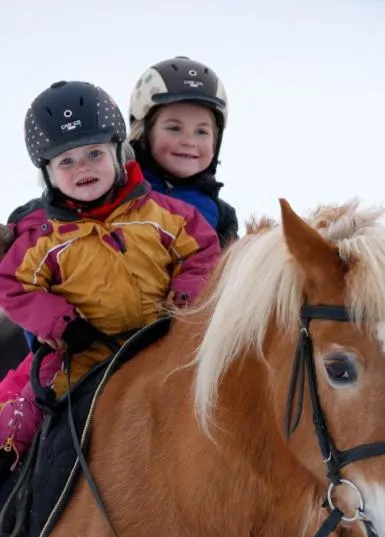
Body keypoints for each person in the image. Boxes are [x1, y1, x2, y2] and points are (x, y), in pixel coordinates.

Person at [0, 79, 220, 481]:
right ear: (47, 174)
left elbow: (202, 253)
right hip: (80, 355)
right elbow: (15, 285)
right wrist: (63, 324)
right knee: (20, 410)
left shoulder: (163, 214)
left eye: (94, 153)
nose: (82, 167)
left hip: (162, 344)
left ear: (120, 152)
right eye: (65, 161)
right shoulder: (43, 237)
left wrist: (184, 301)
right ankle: (11, 505)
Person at [128, 56, 238, 249]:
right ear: (144, 132)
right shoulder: (118, 192)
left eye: (201, 131)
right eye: (174, 128)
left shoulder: (220, 217)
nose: (189, 142)